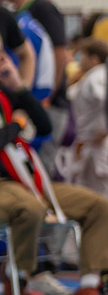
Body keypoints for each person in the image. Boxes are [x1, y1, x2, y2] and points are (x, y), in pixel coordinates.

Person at [0, 26, 108, 295]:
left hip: (27, 183)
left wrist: (19, 87)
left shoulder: (4, 92)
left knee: (98, 207)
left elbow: (44, 126)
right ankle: (17, 279)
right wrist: (16, 124)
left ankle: (90, 286)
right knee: (29, 208)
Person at [64, 39, 108, 194]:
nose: (79, 61)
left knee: (100, 191)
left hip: (98, 143)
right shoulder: (91, 76)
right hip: (90, 141)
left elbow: (103, 100)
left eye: (82, 56)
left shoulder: (97, 77)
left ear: (93, 58)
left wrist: (105, 130)